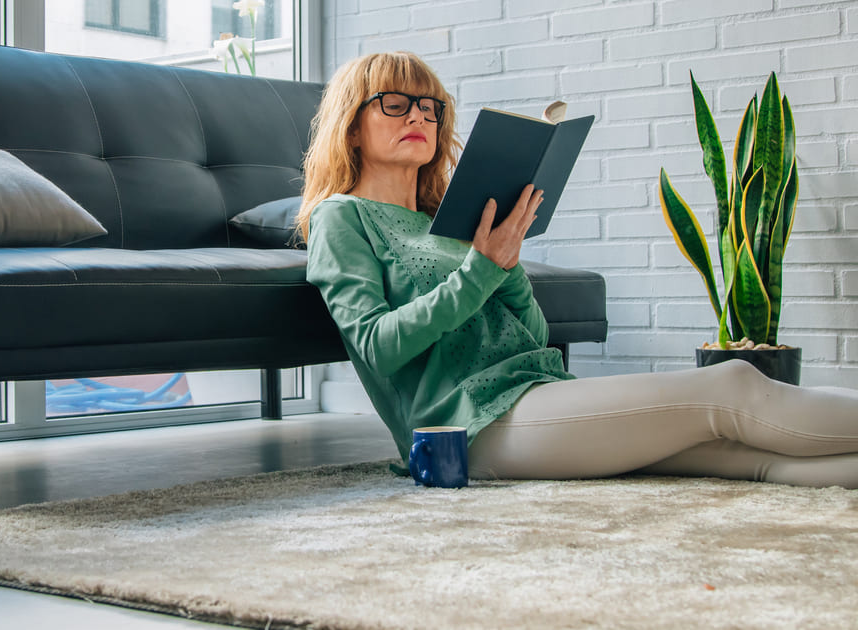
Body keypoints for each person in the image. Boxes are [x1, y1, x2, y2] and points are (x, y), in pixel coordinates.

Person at [296, 51, 858, 489]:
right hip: (471, 427)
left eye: (430, 106)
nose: (419, 115)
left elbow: (534, 338)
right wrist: (479, 271)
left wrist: (505, 266)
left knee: (750, 459)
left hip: (538, 392)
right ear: (351, 125)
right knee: (730, 385)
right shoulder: (341, 219)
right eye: (395, 103)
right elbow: (376, 347)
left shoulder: (451, 219)